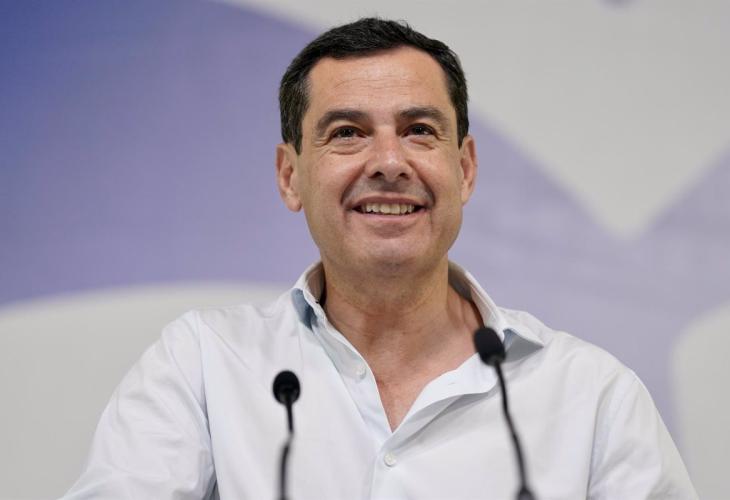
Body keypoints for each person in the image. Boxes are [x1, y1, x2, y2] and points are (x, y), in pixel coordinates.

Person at [63, 18, 697, 500]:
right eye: (347, 133)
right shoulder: (202, 365)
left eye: (419, 130)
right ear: (289, 176)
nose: (390, 163)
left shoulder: (592, 395)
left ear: (465, 169)